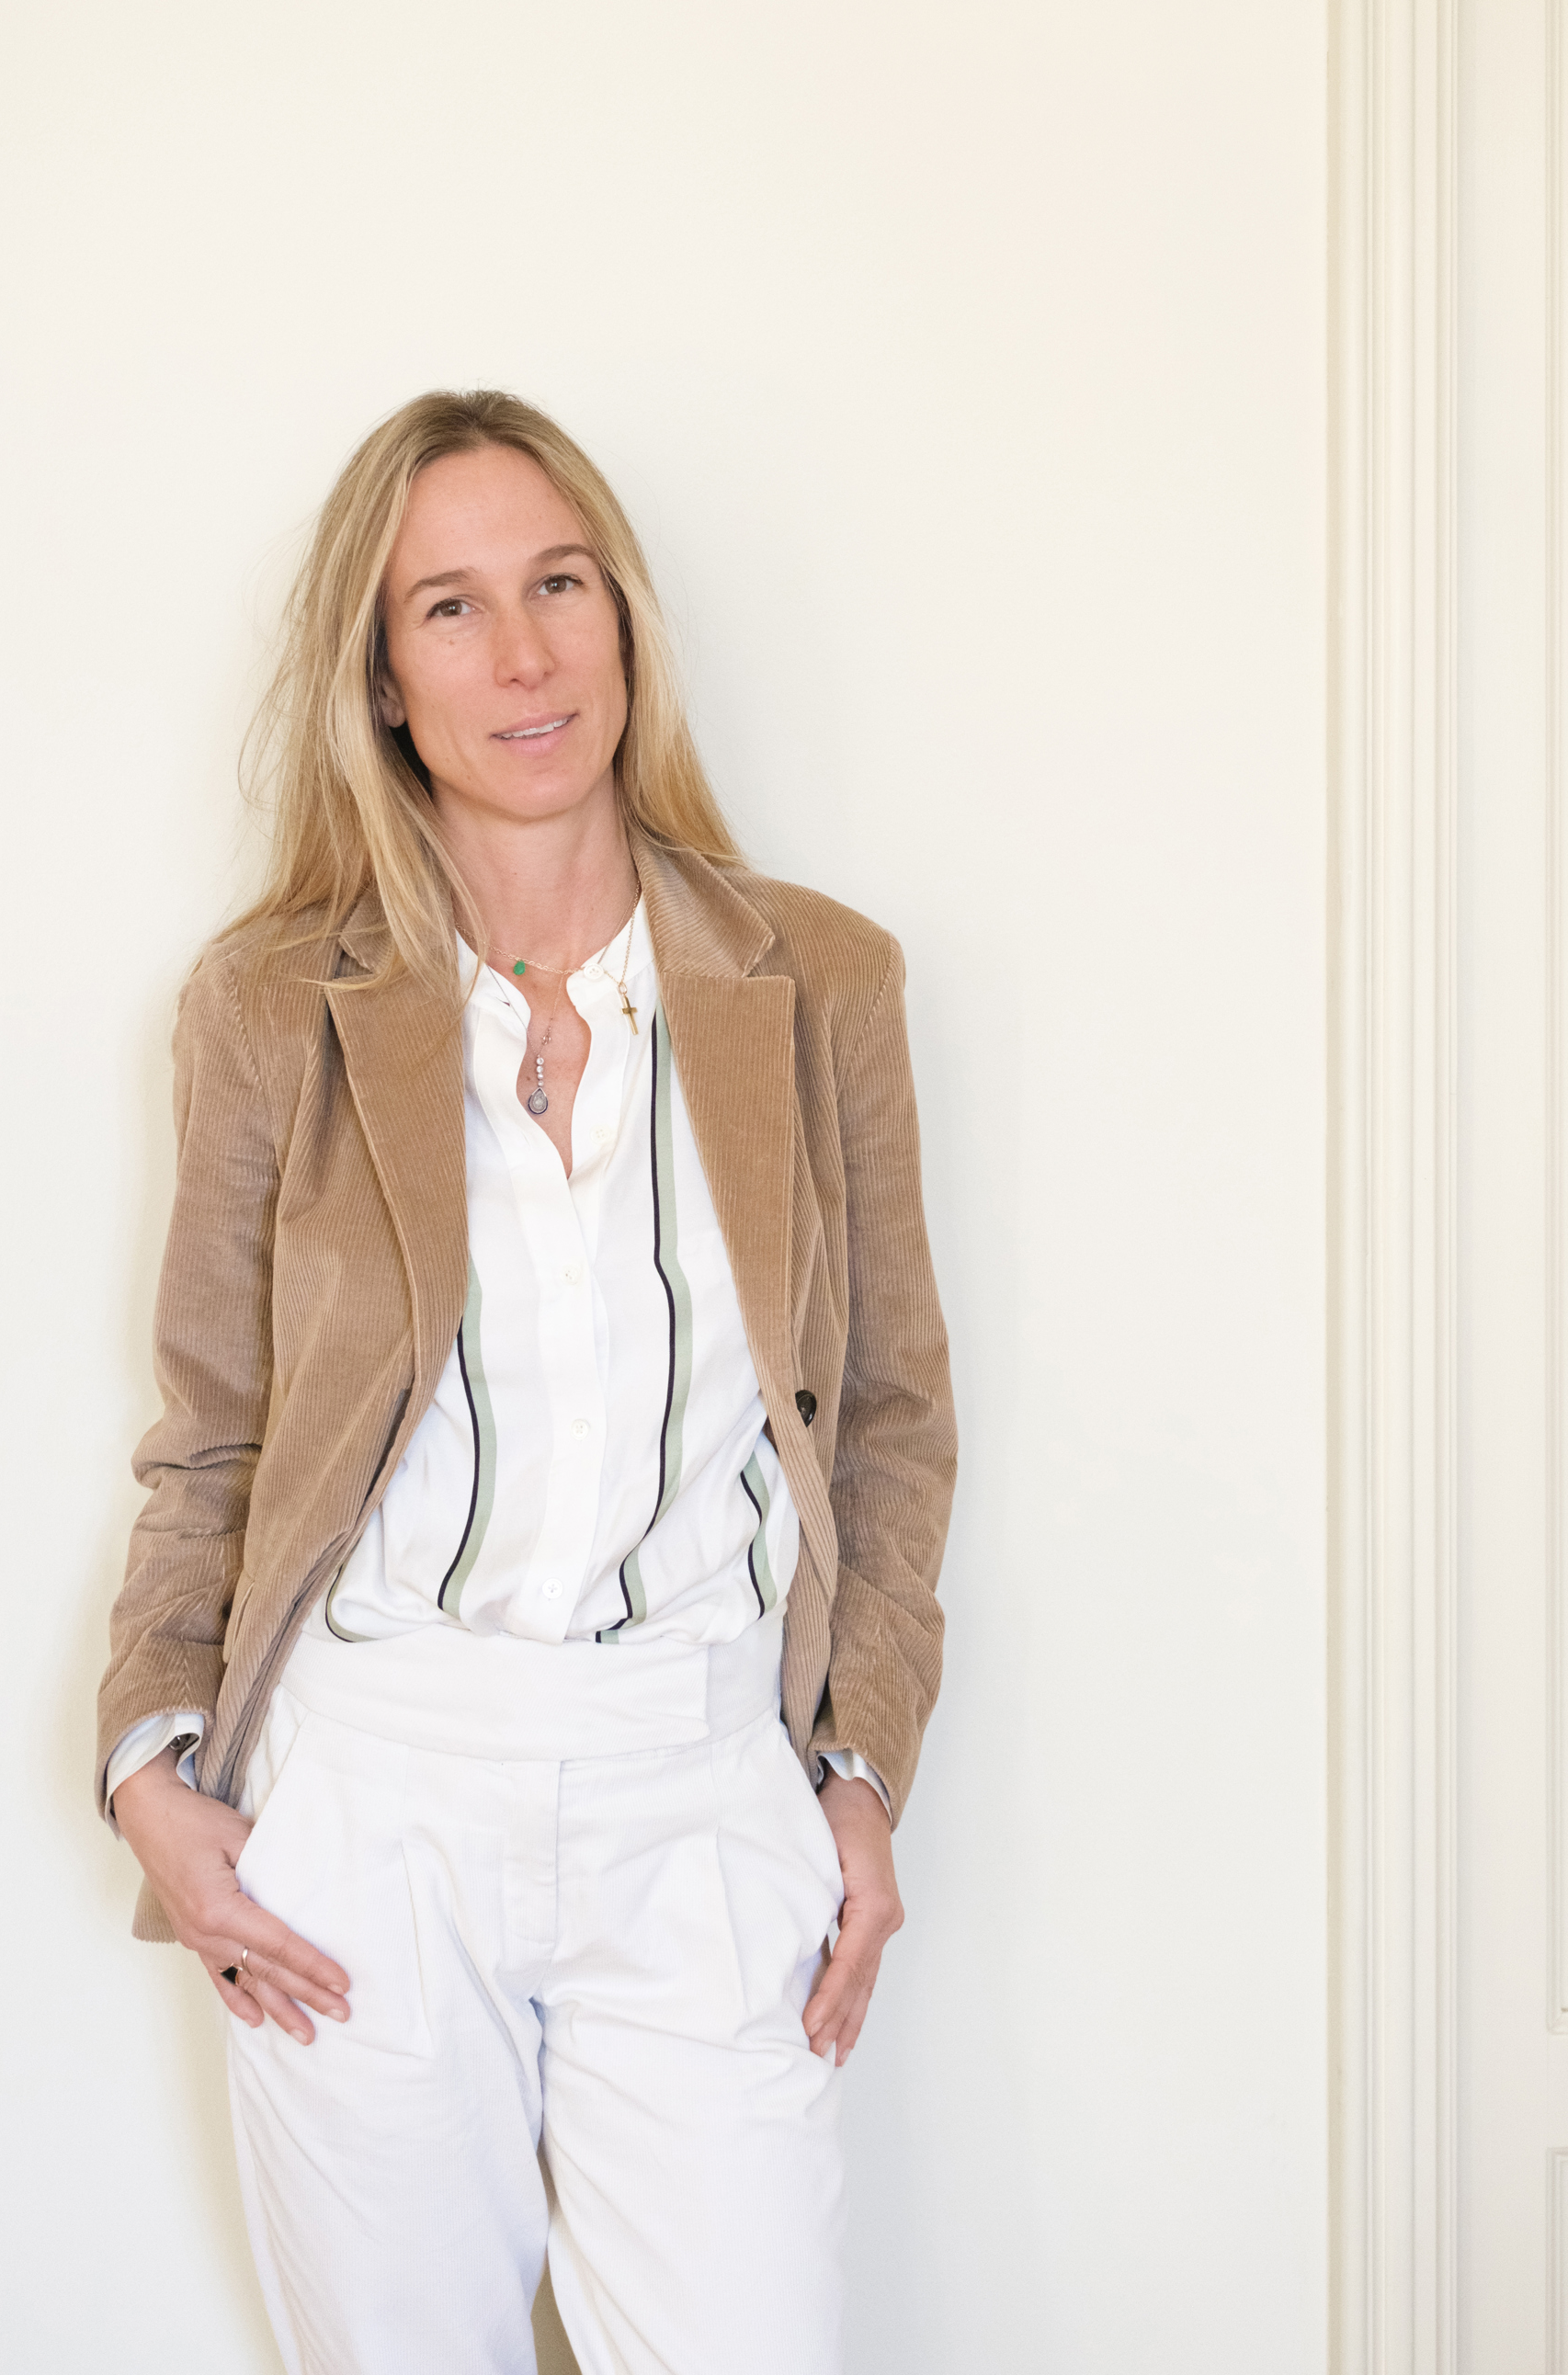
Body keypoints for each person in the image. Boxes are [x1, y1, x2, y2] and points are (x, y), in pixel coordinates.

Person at [98, 389, 955, 2375]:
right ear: (384, 683)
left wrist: (861, 1769)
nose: (523, 655)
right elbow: (213, 1434)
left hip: (703, 1786)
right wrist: (149, 1765)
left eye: (560, 584)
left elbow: (890, 1420)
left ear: (625, 617)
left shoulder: (821, 982)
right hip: (371, 1804)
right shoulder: (271, 1008)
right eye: (452, 609)